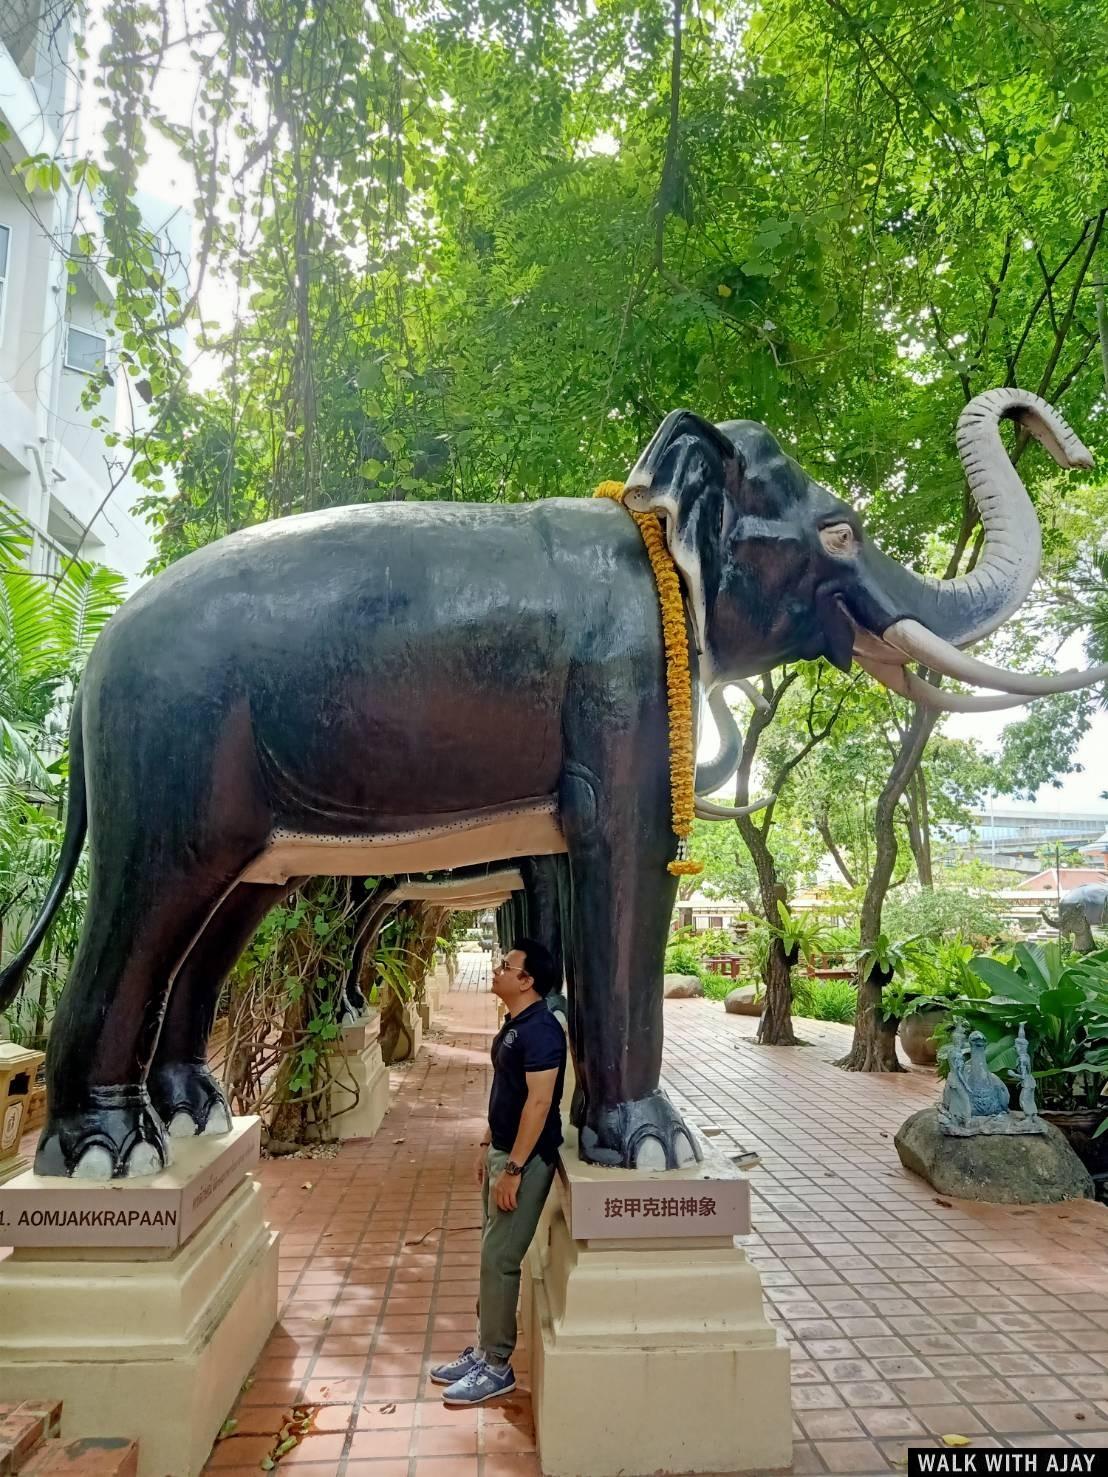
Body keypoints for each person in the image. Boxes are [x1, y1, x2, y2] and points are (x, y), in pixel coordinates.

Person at [431, 937, 567, 1406]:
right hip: (504, 1153)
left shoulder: (543, 1030)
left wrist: (513, 1168)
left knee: (500, 1258)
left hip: (525, 1163)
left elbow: (540, 1102)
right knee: (491, 1253)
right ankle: (484, 1348)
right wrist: (489, 1143)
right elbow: (508, 1094)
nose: (497, 968)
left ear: (527, 981)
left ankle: (497, 1366)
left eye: (506, 965)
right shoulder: (516, 1024)